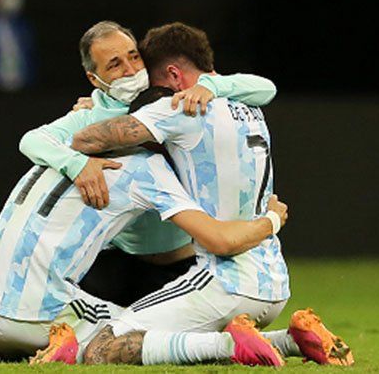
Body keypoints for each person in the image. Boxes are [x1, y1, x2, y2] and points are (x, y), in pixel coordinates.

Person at [60, 22, 353, 366]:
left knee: (101, 346)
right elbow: (266, 87)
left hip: (223, 281)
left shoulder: (179, 109)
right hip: (273, 281)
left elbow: (85, 140)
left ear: (172, 75)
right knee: (170, 331)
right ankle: (292, 340)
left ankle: (230, 348)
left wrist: (95, 110)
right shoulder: (252, 109)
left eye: (154, 83)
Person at [0, 103, 290, 364]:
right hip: (39, 312)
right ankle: (228, 347)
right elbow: (219, 240)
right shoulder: (146, 169)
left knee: (119, 304)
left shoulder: (57, 152)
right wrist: (272, 220)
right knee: (121, 337)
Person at [19, 20, 277, 307]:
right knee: (75, 337)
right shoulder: (88, 117)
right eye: (115, 65)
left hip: (182, 261)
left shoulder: (172, 102)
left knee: (170, 345)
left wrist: (212, 85)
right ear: (95, 79)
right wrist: (76, 165)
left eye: (133, 56)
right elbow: (32, 140)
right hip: (116, 262)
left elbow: (265, 89)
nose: (131, 70)